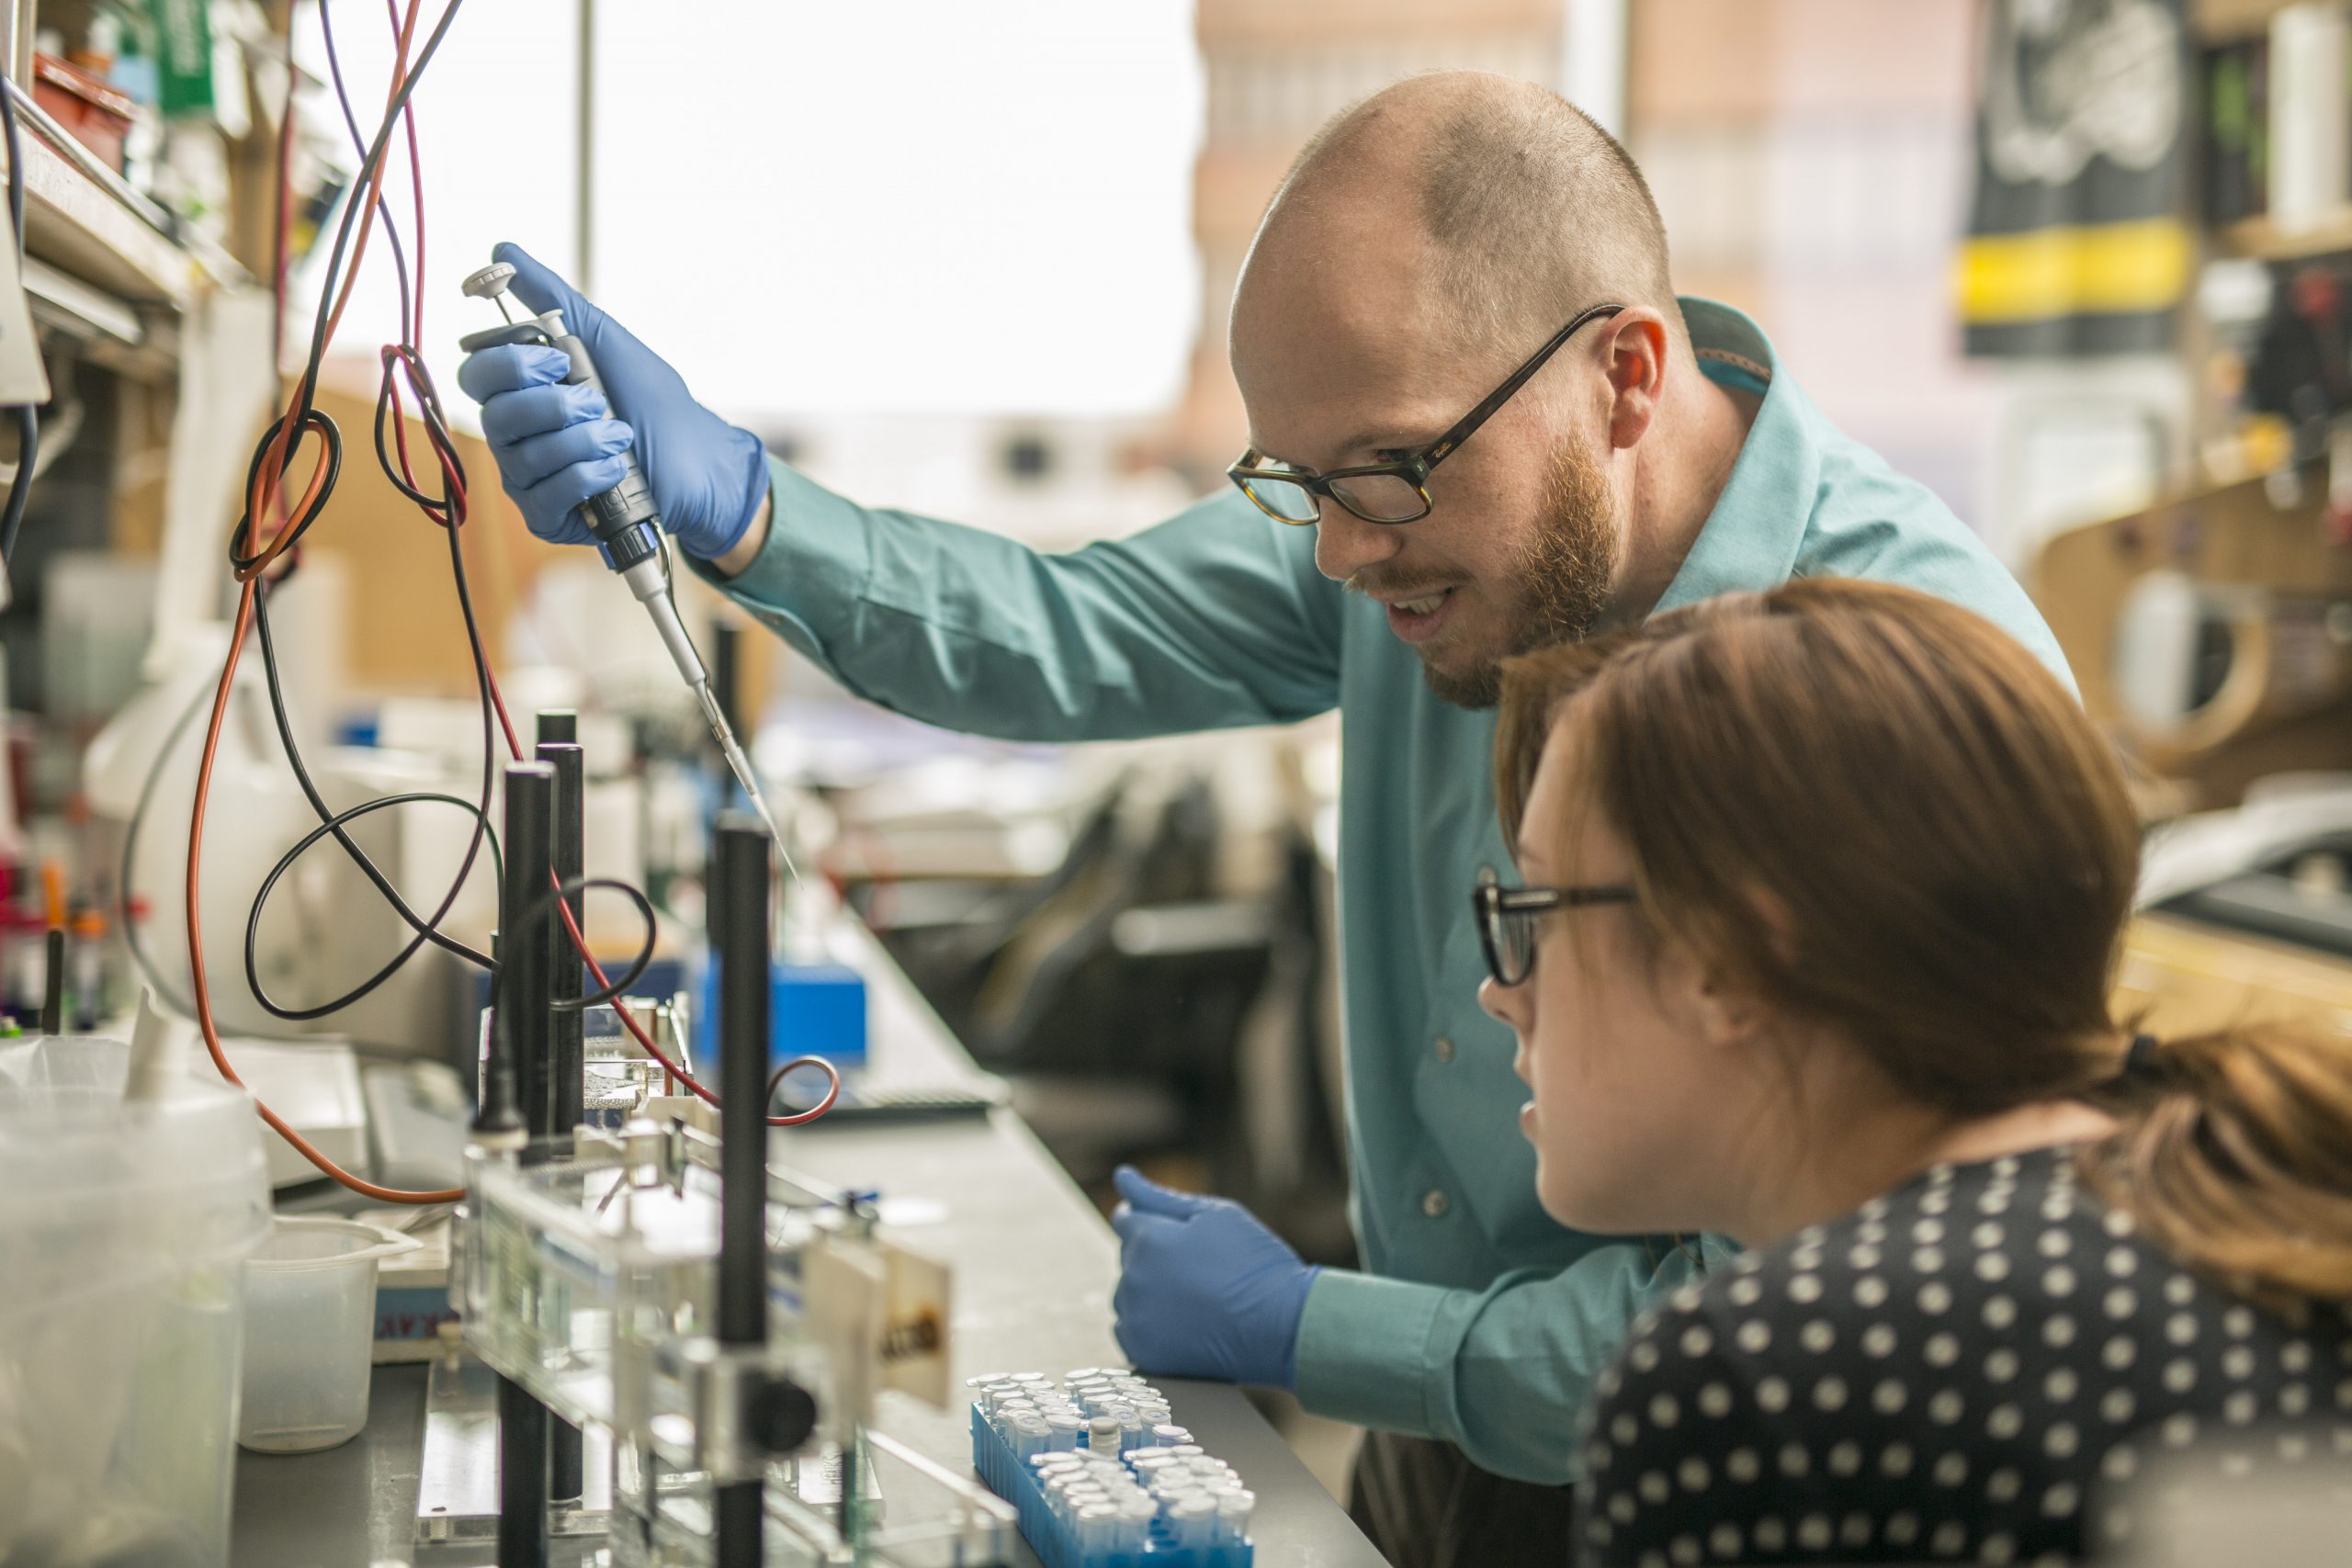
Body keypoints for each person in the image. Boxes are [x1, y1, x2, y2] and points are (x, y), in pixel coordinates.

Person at [458, 71, 2071, 1566]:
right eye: (1298, 482)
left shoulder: (1910, 679)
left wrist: (1319, 1330)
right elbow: (1070, 625)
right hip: (1436, 1448)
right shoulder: (1411, 531)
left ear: (1626, 378)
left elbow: (1795, 1309)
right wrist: (748, 508)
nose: (1340, 559)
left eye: (1382, 470)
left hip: (1733, 1478)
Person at [1477, 578, 2352, 1567]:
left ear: (1722, 958)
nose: (1501, 991)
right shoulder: (2227, 1207)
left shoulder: (1760, 1383)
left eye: (1537, 911)